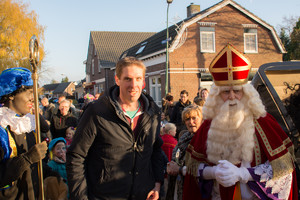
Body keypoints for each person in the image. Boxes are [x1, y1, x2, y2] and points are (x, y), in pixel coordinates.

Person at [183, 44, 298, 200]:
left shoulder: (264, 121)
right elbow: (192, 168)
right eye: (225, 92)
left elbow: (283, 168)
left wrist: (243, 174)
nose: (231, 97)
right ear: (217, 95)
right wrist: (213, 172)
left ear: (246, 93)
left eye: (236, 91)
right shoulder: (208, 126)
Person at [66, 56, 165, 200]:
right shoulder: (97, 112)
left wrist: (157, 184)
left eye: (138, 79)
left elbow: (155, 151)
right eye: (127, 79)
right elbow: (76, 156)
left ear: (143, 81)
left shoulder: (153, 112)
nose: (133, 85)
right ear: (117, 80)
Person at [0, 67, 49, 199]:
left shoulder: (28, 124)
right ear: (11, 94)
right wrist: (26, 159)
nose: (33, 99)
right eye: (29, 93)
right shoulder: (2, 127)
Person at [166, 105, 203, 200]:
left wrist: (179, 169)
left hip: (198, 188)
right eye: (187, 119)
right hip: (180, 185)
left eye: (194, 118)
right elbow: (176, 155)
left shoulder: (205, 138)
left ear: (202, 119)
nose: (191, 122)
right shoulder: (183, 137)